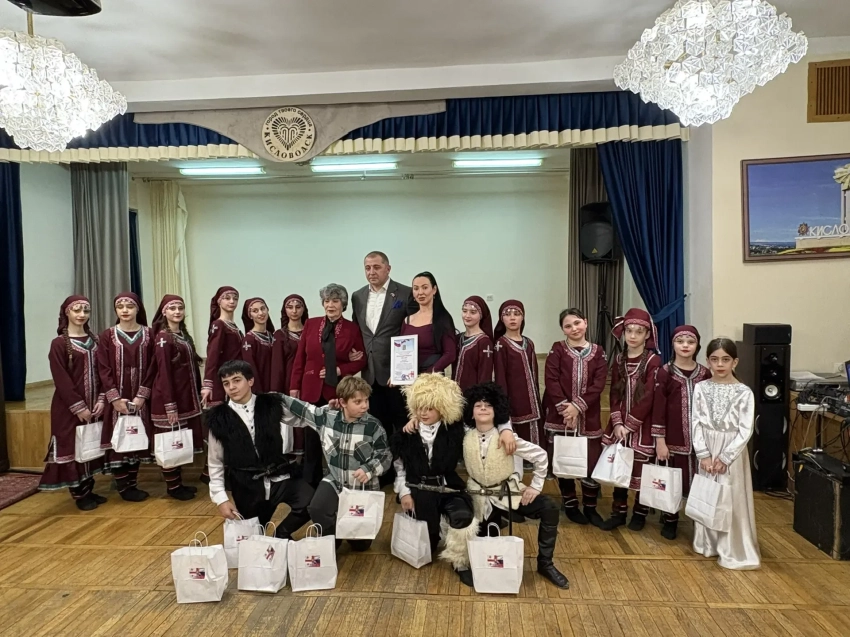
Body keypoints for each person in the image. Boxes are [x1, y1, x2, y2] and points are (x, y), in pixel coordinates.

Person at [463, 382, 569, 588]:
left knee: (549, 508)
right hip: (478, 498)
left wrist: (535, 486)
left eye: (488, 405)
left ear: (497, 411)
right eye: (478, 405)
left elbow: (540, 456)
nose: (483, 408)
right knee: (485, 542)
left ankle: (545, 563)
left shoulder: (507, 438)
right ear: (471, 412)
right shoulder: (465, 436)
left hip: (506, 493)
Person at [278, 376, 392, 552]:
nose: (365, 406)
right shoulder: (326, 418)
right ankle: (332, 538)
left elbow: (385, 455)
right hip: (335, 480)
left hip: (362, 486)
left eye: (366, 400)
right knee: (317, 508)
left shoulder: (374, 426)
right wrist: (276, 396)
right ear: (343, 402)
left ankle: (354, 536)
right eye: (358, 402)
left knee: (360, 546)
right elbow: (302, 408)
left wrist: (368, 469)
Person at [206, 360, 313, 538]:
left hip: (280, 477)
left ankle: (282, 534)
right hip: (247, 487)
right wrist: (221, 499)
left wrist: (329, 412)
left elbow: (302, 419)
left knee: (311, 503)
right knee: (255, 539)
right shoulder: (218, 419)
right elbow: (215, 462)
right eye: (226, 383)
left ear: (250, 381)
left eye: (236, 380)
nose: (232, 387)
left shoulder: (270, 404)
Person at [391, 374, 478, 585]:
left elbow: (483, 428)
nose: (423, 413)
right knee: (427, 546)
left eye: (429, 408)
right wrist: (404, 493)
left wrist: (506, 432)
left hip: (448, 487)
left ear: (442, 408)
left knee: (463, 516)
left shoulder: (457, 430)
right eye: (419, 408)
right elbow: (400, 468)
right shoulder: (406, 434)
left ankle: (460, 562)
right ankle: (435, 532)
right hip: (420, 489)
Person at [692, 338, 760, 570]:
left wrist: (726, 457)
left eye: (725, 359)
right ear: (707, 361)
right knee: (709, 493)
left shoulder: (744, 392)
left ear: (735, 362)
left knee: (730, 496)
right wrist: (703, 453)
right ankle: (708, 543)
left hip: (732, 450)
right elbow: (696, 422)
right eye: (714, 359)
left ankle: (733, 547)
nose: (720, 364)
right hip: (707, 447)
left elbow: (745, 430)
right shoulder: (701, 388)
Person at [290, 283, 366, 487]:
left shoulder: (351, 328)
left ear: (343, 304)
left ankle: (339, 481)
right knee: (311, 439)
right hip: (310, 389)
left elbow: (361, 359)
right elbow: (300, 358)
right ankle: (310, 482)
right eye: (327, 301)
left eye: (335, 301)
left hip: (337, 390)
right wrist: (294, 386)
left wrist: (340, 370)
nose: (330, 305)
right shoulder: (311, 324)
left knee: (337, 438)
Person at [38, 296, 106, 510]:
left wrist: (102, 399)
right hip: (69, 409)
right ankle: (80, 494)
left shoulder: (96, 341)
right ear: (67, 312)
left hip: (95, 406)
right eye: (77, 310)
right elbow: (62, 379)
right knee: (73, 447)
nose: (81, 315)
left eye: (85, 311)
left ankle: (90, 489)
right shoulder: (58, 344)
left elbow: (105, 372)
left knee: (90, 445)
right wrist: (79, 407)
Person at [542, 308, 608, 526]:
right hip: (561, 416)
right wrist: (566, 409)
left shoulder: (598, 352)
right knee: (565, 458)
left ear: (586, 323)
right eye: (568, 326)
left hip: (589, 415)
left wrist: (578, 407)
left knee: (591, 460)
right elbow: (551, 379)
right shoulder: (557, 349)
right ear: (563, 330)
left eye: (577, 323)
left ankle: (590, 507)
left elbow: (599, 383)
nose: (574, 328)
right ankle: (570, 504)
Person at [599, 308, 661, 531]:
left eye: (639, 331)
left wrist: (630, 424)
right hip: (620, 426)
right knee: (620, 468)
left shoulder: (653, 361)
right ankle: (618, 512)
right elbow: (614, 393)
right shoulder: (619, 359)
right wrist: (617, 422)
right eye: (629, 331)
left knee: (642, 472)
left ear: (647, 334)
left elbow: (648, 397)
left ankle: (639, 514)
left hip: (642, 426)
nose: (633, 336)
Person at [350, 251, 415, 454]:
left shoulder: (405, 293)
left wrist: (402, 370)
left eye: (376, 267)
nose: (371, 272)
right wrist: (353, 352)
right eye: (367, 268)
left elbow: (413, 329)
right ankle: (385, 465)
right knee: (378, 423)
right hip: (369, 373)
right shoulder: (357, 296)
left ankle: (406, 465)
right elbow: (356, 329)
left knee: (403, 422)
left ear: (388, 268)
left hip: (397, 373)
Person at [652, 325, 711, 540]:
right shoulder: (665, 372)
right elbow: (658, 409)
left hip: (700, 442)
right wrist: (660, 441)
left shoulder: (704, 374)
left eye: (690, 342)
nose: (685, 345)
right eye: (680, 341)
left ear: (697, 345)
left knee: (699, 481)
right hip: (673, 440)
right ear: (673, 344)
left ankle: (699, 520)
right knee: (673, 481)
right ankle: (670, 519)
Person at [96, 292, 155, 502]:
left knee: (136, 438)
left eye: (129, 306)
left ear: (138, 309)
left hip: (140, 398)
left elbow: (153, 366)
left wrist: (142, 396)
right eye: (120, 306)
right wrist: (114, 398)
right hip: (117, 399)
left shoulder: (149, 334)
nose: (125, 310)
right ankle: (123, 487)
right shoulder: (107, 335)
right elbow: (103, 368)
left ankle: (132, 484)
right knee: (119, 439)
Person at [149, 295, 204, 500]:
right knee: (170, 441)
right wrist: (170, 405)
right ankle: (173, 487)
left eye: (180, 308)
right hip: (169, 399)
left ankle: (178, 483)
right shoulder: (163, 338)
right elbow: (163, 372)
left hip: (184, 398)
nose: (177, 312)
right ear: (164, 312)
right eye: (172, 308)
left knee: (179, 440)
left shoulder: (182, 335)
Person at [493, 299, 542, 445]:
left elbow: (534, 375)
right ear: (502, 319)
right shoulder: (501, 344)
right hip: (514, 402)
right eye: (507, 314)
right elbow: (500, 378)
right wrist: (504, 407)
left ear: (523, 317)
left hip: (533, 403)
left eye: (517, 314)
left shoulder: (529, 343)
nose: (512, 318)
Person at [271, 294, 308, 458]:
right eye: (290, 307)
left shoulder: (310, 331)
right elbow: (277, 366)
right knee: (291, 420)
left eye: (298, 307)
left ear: (304, 309)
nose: (294, 311)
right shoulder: (280, 335)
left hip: (309, 383)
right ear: (284, 310)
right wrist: (275, 391)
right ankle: (292, 461)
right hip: (288, 384)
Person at [400, 272, 457, 375]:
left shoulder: (443, 318)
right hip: (408, 379)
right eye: (416, 288)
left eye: (425, 287)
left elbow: (450, 354)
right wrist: (397, 374)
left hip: (432, 379)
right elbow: (401, 352)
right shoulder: (407, 320)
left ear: (434, 290)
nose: (420, 292)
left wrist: (428, 375)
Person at [201, 286, 243, 409]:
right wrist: (208, 384)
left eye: (235, 299)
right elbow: (212, 354)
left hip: (235, 376)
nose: (232, 301)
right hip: (223, 378)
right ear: (219, 301)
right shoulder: (219, 324)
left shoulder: (234, 327)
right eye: (227, 298)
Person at [452, 295, 495, 391]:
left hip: (473, 395)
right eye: (464, 311)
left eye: (473, 312)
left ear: (481, 315)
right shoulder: (458, 338)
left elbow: (485, 375)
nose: (467, 316)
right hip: (454, 395)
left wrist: (480, 396)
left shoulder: (484, 342)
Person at [240, 297, 275, 394]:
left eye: (263, 309)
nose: (261, 313)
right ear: (250, 316)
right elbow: (251, 369)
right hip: (261, 390)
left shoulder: (273, 336)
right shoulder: (249, 340)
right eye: (255, 311)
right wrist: (258, 393)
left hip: (275, 387)